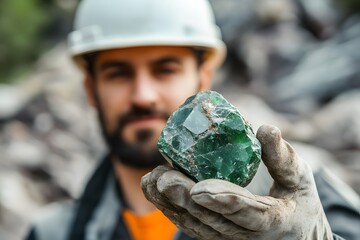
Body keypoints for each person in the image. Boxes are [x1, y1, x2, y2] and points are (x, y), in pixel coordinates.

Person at [26, 0, 360, 239]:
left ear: (204, 78)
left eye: (165, 70)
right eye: (118, 73)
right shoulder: (52, 233)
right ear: (90, 88)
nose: (143, 95)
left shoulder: (307, 195)